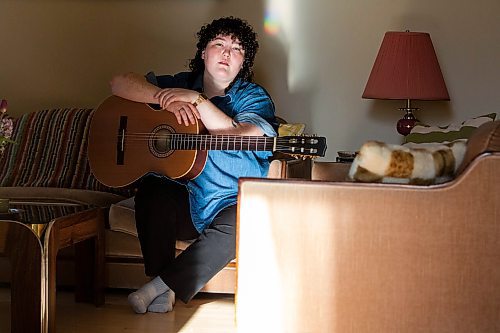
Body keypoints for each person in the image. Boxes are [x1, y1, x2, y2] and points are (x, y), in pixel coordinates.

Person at [109, 16, 277, 314]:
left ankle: (157, 288)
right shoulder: (180, 83)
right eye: (218, 44)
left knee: (247, 222)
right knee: (152, 191)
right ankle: (162, 290)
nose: (227, 53)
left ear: (243, 62)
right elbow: (119, 82)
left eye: (236, 49)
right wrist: (163, 98)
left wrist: (196, 101)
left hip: (230, 201)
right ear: (203, 53)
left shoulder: (253, 96)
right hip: (187, 199)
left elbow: (244, 134)